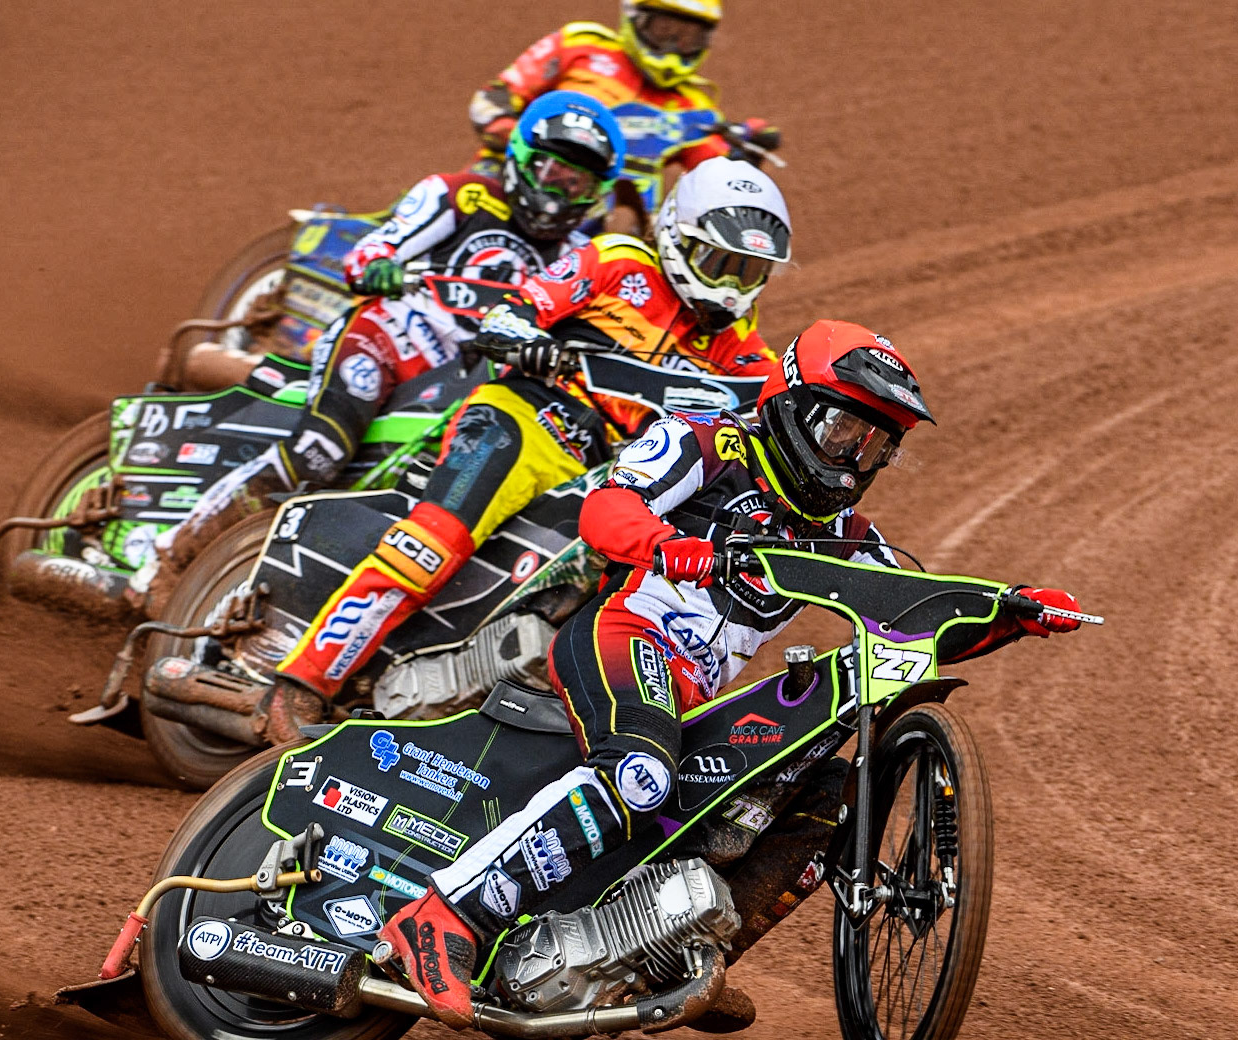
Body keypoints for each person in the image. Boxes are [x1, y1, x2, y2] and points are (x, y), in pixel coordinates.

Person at [378, 319, 1086, 1029]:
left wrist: (1014, 613)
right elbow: (606, 510)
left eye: (877, 448)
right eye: (845, 432)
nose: (854, 460)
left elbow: (915, 621)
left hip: (696, 695)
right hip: (626, 634)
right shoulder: (710, 443)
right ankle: (442, 917)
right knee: (640, 775)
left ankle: (677, 962)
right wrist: (667, 545)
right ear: (792, 403)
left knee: (821, 799)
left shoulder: (847, 537)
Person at [249, 156, 793, 747]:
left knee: (648, 588)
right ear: (674, 235)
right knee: (434, 541)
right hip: (525, 419)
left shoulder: (743, 351)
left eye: (750, 271)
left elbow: (771, 421)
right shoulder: (616, 261)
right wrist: (522, 333)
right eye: (721, 263)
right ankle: (302, 682)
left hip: (609, 469)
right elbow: (520, 305)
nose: (731, 284)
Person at [128, 92, 626, 615]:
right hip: (386, 340)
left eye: (577, 183)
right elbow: (373, 248)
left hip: (468, 382)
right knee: (320, 449)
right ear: (523, 159)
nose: (558, 193)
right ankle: (168, 557)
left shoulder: (577, 258)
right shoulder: (461, 196)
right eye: (551, 172)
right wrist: (380, 265)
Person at [469, 1, 775, 169]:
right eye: (664, 31)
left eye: (687, 38)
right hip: (518, 175)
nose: (673, 46)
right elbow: (493, 99)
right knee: (464, 200)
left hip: (598, 217)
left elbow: (712, 173)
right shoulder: (581, 45)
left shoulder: (694, 105)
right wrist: (512, 132)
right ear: (636, 19)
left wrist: (744, 159)